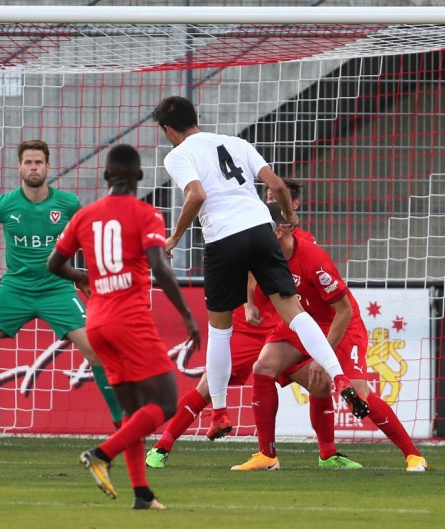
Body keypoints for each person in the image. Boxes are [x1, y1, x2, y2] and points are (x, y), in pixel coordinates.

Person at [153, 95, 367, 434]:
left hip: (224, 238)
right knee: (296, 315)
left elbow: (196, 195)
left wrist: (174, 237)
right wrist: (290, 214)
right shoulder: (236, 142)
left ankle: (219, 413)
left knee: (220, 331)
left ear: (167, 129)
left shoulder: (178, 155)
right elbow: (277, 185)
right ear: (195, 118)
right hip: (261, 230)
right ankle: (338, 376)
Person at [144, 178, 363, 469]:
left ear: (293, 208)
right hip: (250, 325)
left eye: (276, 196)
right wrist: (248, 304)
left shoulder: (302, 242)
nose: (271, 199)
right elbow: (248, 269)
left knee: (318, 384)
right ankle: (162, 447)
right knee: (209, 384)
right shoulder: (254, 230)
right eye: (268, 195)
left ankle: (327, 454)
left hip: (283, 326)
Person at [0, 139, 124, 439]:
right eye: (28, 163)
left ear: (48, 166)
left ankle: (122, 426)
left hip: (57, 289)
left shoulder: (67, 203)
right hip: (15, 290)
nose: (34, 168)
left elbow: (90, 233)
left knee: (96, 350)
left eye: (39, 162)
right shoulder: (5, 204)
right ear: (19, 167)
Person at [47, 144, 201, 509]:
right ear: (140, 177)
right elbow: (159, 265)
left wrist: (82, 277)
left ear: (105, 176)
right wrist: (186, 314)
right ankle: (102, 454)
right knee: (165, 403)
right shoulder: (146, 214)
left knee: (133, 414)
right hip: (129, 319)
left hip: (96, 322)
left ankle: (141, 494)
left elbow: (54, 263)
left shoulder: (85, 216)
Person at [231, 203, 428, 472]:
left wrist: (322, 357)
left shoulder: (314, 260)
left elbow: (344, 311)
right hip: (301, 319)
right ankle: (268, 455)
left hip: (339, 324)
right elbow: (251, 272)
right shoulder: (264, 254)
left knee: (358, 391)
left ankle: (413, 455)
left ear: (280, 230)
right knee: (263, 366)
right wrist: (249, 303)